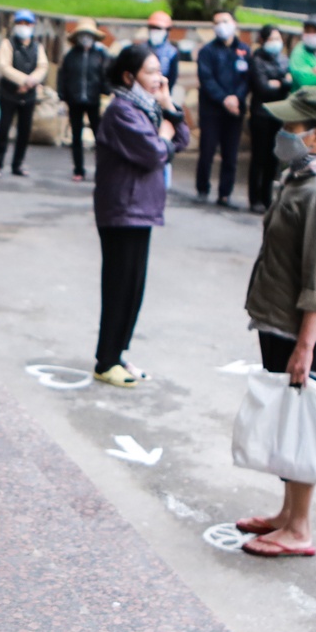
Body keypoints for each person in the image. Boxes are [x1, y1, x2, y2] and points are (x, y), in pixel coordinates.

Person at [234, 85, 316, 557]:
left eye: (292, 126)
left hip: (299, 330)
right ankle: (287, 513)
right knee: (288, 420)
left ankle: (300, 528)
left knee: (302, 423)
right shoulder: (301, 177)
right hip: (281, 323)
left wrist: (305, 346)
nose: (283, 133)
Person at [92, 44, 189, 386]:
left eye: (159, 70)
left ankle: (118, 355)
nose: (157, 77)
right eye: (149, 71)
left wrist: (168, 107)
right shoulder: (122, 111)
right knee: (119, 286)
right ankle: (105, 361)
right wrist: (164, 136)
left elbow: (183, 138)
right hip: (122, 209)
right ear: (128, 76)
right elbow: (152, 153)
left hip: (142, 209)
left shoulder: (148, 108)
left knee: (133, 287)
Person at [194, 9, 252, 206]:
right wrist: (225, 99)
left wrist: (237, 98)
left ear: (234, 23)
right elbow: (206, 79)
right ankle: (202, 188)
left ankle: (225, 193)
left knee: (230, 154)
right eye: (216, 22)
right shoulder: (207, 51)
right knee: (207, 150)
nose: (221, 26)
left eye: (225, 21)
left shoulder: (244, 50)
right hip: (212, 109)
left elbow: (247, 80)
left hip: (235, 110)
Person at [0, 9, 47, 177]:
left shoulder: (37, 47)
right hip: (9, 92)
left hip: (28, 94)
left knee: (24, 130)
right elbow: (4, 67)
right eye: (20, 23)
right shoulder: (7, 44)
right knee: (4, 128)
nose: (24, 27)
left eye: (27, 24)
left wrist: (32, 82)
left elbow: (42, 66)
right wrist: (23, 80)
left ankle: (18, 164)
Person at [245, 24, 291, 213]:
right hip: (261, 115)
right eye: (272, 38)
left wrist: (279, 84)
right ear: (263, 41)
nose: (276, 43)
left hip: (277, 116)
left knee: (273, 159)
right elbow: (263, 88)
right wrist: (282, 83)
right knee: (259, 158)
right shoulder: (256, 61)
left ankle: (267, 198)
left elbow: (288, 82)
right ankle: (254, 198)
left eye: (278, 38)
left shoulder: (283, 59)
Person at [58, 18, 111, 181]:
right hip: (74, 101)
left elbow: (106, 76)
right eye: (83, 35)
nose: (86, 38)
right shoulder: (71, 56)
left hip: (93, 100)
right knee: (76, 136)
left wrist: (107, 91)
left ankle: (103, 169)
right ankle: (78, 169)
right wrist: (62, 96)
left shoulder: (100, 55)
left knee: (99, 136)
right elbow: (63, 76)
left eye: (89, 35)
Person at [142, 11, 183, 92]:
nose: (155, 32)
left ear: (166, 31)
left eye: (158, 29)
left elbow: (172, 77)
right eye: (153, 28)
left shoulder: (171, 52)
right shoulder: (141, 49)